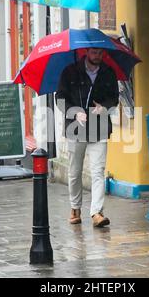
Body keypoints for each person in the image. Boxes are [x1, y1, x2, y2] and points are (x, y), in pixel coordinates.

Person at [55, 48, 119, 228]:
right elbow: (59, 98)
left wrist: (103, 107)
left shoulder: (108, 72)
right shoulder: (70, 71)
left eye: (100, 53)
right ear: (86, 53)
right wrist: (74, 112)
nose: (97, 56)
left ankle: (96, 212)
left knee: (98, 171)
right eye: (93, 53)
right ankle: (75, 208)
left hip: (99, 128)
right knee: (74, 171)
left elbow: (114, 98)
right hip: (76, 128)